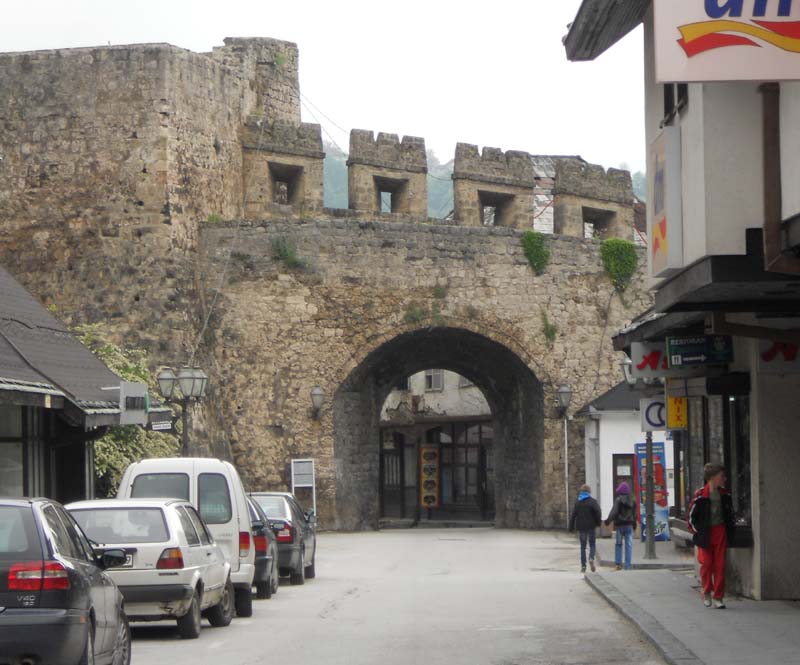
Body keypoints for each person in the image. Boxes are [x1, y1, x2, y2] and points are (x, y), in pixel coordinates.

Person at [688, 463, 735, 609]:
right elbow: (691, 516)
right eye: (722, 476)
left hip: (720, 531)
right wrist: (698, 531)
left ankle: (718, 597)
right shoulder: (700, 495)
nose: (724, 479)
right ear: (713, 477)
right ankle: (707, 591)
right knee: (707, 564)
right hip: (706, 533)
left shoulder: (725, 495)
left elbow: (730, 514)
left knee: (720, 566)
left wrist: (730, 530)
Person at [569, 484, 602, 573]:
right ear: (589, 492)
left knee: (583, 547)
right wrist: (598, 522)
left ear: (581, 492)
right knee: (592, 544)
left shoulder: (578, 503)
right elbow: (598, 512)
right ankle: (591, 558)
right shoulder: (593, 502)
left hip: (581, 527)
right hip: (591, 526)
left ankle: (583, 566)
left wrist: (571, 527)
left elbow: (573, 516)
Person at [605, 482, 635, 570]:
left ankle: (618, 564)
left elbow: (614, 512)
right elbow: (634, 514)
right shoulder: (632, 501)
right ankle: (628, 565)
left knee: (618, 544)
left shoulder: (618, 500)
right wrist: (634, 524)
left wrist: (608, 521)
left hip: (620, 526)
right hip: (629, 526)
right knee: (628, 545)